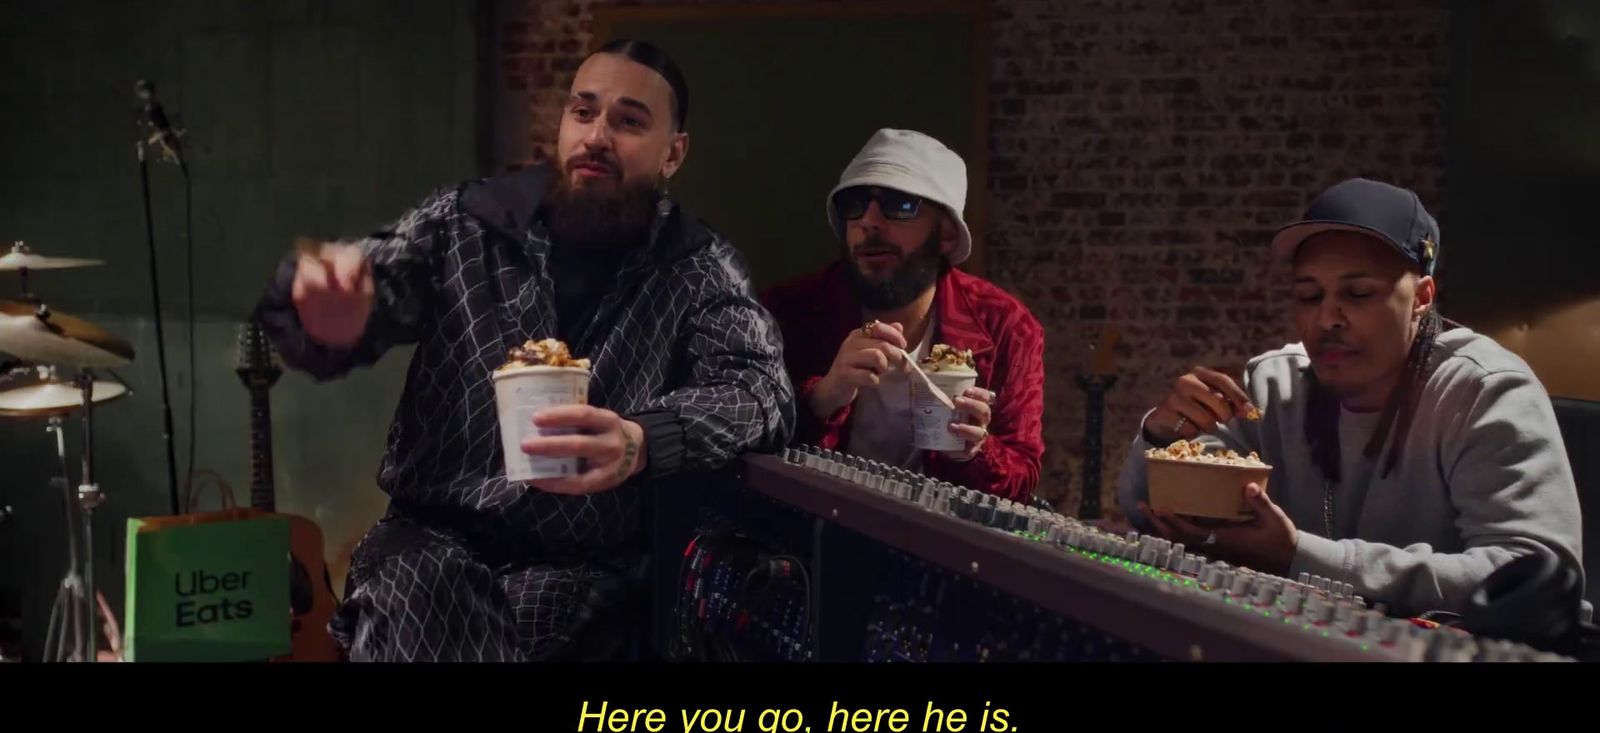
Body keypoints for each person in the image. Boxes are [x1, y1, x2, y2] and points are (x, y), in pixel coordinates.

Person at [255, 39, 794, 661]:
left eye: (629, 121)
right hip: (432, 548)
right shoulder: (468, 224)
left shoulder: (698, 266)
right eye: (583, 112)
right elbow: (372, 285)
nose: (596, 135)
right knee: (419, 593)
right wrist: (329, 315)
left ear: (674, 153)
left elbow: (760, 392)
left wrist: (644, 439)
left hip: (592, 574)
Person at [1115, 177, 1586, 618]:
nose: (1327, 320)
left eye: (1358, 294)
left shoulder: (1484, 391)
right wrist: (1160, 438)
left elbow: (1530, 575)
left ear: (1422, 297)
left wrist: (1298, 554)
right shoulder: (1275, 386)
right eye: (1308, 296)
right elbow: (1148, 508)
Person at [762, 129, 1045, 502]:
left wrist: (974, 452)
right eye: (855, 204)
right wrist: (823, 397)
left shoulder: (1006, 326)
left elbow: (1023, 478)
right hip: (812, 538)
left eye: (900, 205)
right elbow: (741, 443)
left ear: (945, 233)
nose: (870, 222)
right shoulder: (787, 313)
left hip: (941, 547)